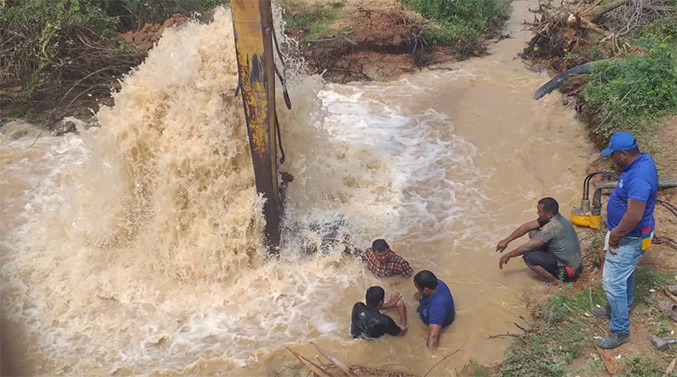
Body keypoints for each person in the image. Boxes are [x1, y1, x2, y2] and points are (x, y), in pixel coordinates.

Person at [593, 132, 658, 349]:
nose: (611, 158)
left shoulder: (639, 177)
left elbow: (634, 215)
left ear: (623, 154)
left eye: (613, 154)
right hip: (633, 233)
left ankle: (620, 330)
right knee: (624, 274)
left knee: (612, 282)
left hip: (629, 236)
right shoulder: (640, 162)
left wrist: (615, 235)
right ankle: (620, 307)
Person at [496, 197, 582, 284]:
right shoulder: (558, 219)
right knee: (533, 232)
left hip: (568, 270)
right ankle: (547, 260)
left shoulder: (551, 227)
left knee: (529, 256)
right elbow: (526, 227)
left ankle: (555, 281)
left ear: (549, 214)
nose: (537, 213)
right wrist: (506, 241)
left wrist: (507, 255)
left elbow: (527, 247)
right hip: (572, 261)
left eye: (540, 211)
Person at [414, 270, 455, 349]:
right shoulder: (437, 283)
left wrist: (430, 357)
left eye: (418, 288)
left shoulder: (437, 307)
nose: (418, 291)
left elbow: (433, 337)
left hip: (434, 321)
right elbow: (418, 295)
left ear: (426, 290)